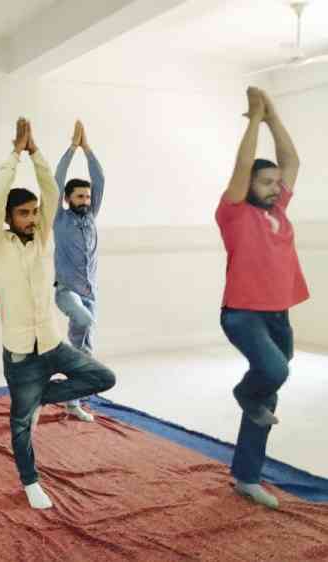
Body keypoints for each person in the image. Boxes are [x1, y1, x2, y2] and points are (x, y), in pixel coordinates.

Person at [0, 117, 116, 510]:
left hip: (53, 342)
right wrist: (14, 154)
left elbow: (51, 188)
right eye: (23, 213)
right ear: (10, 218)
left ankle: (42, 396)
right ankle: (30, 481)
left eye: (33, 212)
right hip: (21, 353)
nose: (30, 218)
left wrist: (36, 153)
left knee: (101, 376)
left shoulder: (44, 238)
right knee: (20, 424)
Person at [216, 87, 307, 510]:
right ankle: (244, 394)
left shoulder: (278, 210)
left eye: (276, 184)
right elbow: (242, 165)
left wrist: (273, 118)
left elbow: (292, 161)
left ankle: (247, 476)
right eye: (266, 182)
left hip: (277, 314)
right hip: (242, 315)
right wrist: (253, 119)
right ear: (247, 185)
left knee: (267, 395)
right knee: (271, 372)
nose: (275, 188)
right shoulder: (234, 212)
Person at [53, 119, 106, 423]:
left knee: (84, 349)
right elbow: (57, 180)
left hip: (90, 293)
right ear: (68, 199)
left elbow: (100, 179)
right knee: (84, 322)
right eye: (80, 196)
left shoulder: (91, 217)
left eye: (87, 197)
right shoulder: (59, 219)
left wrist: (89, 149)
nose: (86, 200)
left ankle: (72, 401)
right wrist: (73, 148)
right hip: (66, 291)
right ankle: (55, 363)